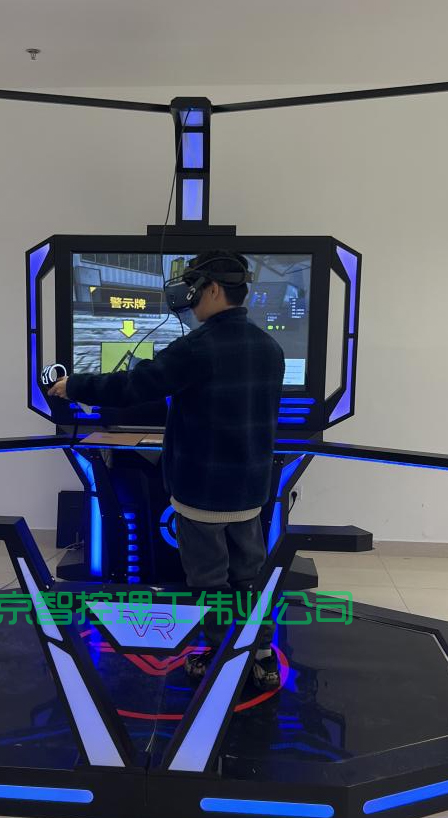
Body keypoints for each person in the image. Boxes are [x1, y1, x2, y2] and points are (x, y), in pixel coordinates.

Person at [48, 251, 285, 689]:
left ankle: (219, 656)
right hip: (250, 490)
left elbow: (133, 386)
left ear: (214, 289)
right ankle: (262, 655)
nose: (189, 298)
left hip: (201, 492)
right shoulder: (270, 348)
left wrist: (74, 385)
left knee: (209, 580)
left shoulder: (198, 347)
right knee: (251, 577)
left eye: (195, 288)